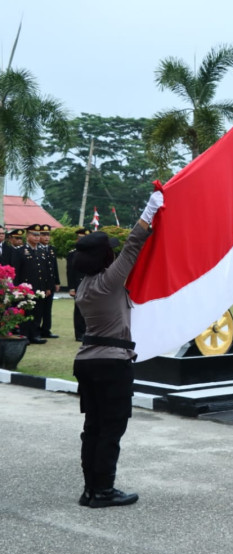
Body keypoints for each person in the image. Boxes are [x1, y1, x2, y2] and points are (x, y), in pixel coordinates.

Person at [71, 186, 162, 508]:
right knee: (111, 429)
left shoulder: (84, 287)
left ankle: (90, 490)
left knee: (92, 428)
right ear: (105, 257)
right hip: (111, 363)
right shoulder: (109, 281)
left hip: (87, 361)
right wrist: (150, 211)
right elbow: (134, 246)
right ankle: (104, 491)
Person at [66, 228, 90, 341]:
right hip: (78, 285)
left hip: (91, 284)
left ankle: (88, 332)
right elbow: (70, 272)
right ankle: (79, 333)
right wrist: (71, 288)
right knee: (79, 310)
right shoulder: (73, 254)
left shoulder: (93, 253)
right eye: (81, 238)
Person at [38, 224, 61, 338]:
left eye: (48, 235)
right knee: (38, 308)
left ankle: (46, 330)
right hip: (40, 283)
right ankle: (37, 330)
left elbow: (54, 267)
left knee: (48, 308)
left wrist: (57, 282)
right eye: (43, 235)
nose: (46, 237)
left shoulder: (51, 249)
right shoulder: (36, 249)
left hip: (50, 284)